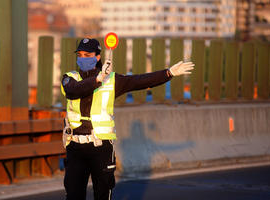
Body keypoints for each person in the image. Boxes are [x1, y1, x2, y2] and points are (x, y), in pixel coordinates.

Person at [61, 38, 194, 200]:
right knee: (73, 195)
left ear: (97, 57)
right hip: (75, 147)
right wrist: (98, 79)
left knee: (103, 195)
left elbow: (140, 81)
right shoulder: (69, 78)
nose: (82, 58)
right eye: (80, 55)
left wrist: (168, 73)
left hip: (101, 147)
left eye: (87, 55)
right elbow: (74, 91)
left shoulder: (112, 80)